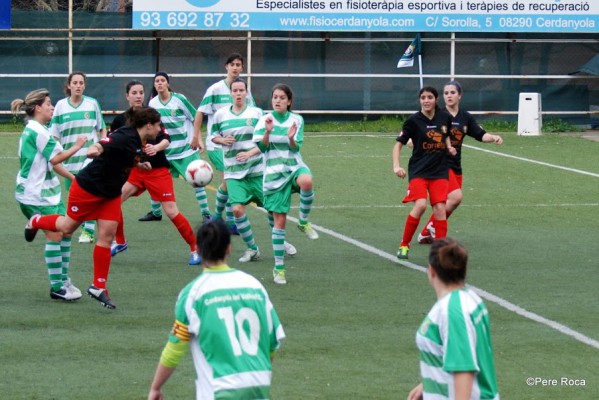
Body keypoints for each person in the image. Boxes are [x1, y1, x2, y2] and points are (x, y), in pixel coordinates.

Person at [24, 107, 163, 309]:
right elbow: (102, 144)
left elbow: (123, 157)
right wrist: (94, 149)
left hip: (111, 193)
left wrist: (139, 165)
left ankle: (98, 286)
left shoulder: (140, 140)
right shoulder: (125, 136)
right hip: (88, 188)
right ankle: (35, 221)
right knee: (67, 227)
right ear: (148, 125)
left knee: (107, 235)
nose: (160, 129)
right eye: (158, 125)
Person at [147, 220, 285, 400]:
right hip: (259, 386)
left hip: (220, 390)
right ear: (228, 249)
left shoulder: (193, 294)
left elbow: (174, 349)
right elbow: (272, 342)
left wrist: (155, 388)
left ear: (198, 249)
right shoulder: (255, 287)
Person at [109, 80, 201, 265]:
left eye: (141, 92)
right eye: (134, 93)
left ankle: (195, 248)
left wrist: (156, 148)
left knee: (171, 211)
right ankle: (120, 241)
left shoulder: (151, 115)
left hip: (157, 171)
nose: (138, 96)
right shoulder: (120, 120)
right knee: (113, 201)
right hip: (135, 171)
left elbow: (166, 138)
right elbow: (114, 144)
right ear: (127, 96)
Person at [211, 78, 297, 263]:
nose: (238, 93)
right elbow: (213, 136)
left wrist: (251, 152)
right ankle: (252, 249)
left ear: (246, 93)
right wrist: (222, 140)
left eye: (241, 90)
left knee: (272, 208)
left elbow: (265, 141)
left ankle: (280, 242)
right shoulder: (220, 115)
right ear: (231, 93)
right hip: (233, 173)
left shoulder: (257, 114)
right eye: (235, 90)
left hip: (257, 171)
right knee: (237, 209)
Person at [13, 88, 87, 301]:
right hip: (35, 195)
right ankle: (57, 287)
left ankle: (63, 279)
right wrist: (78, 146)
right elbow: (57, 158)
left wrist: (73, 178)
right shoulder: (38, 131)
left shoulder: (39, 129)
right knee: (55, 234)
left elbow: (52, 164)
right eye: (48, 104)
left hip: (49, 192)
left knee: (67, 230)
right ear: (38, 108)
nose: (52, 107)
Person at [407, 238, 500, 400]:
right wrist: (430, 383)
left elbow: (464, 369)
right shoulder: (470, 299)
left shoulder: (452, 311)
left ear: (431, 270)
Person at [417, 81, 503, 244]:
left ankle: (426, 232)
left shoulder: (465, 117)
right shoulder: (437, 115)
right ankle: (435, 228)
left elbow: (480, 134)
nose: (449, 96)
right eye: (446, 93)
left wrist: (493, 137)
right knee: (456, 197)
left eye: (452, 93)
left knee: (448, 202)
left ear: (460, 96)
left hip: (456, 166)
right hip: (439, 165)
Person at [253, 83, 319, 285]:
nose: (278, 100)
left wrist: (291, 138)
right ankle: (279, 269)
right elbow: (261, 148)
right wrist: (267, 132)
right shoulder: (264, 120)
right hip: (274, 175)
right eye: (275, 97)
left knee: (307, 181)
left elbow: (296, 148)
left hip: (293, 167)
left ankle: (303, 222)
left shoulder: (297, 119)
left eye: (282, 97)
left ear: (289, 101)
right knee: (279, 222)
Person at [195, 53, 256, 234]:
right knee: (229, 181)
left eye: (238, 64)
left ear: (242, 68)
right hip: (217, 145)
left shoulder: (244, 90)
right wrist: (196, 137)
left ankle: (218, 218)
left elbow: (253, 114)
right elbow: (200, 112)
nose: (235, 67)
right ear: (226, 66)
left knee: (228, 183)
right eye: (232, 64)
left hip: (237, 147)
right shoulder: (215, 89)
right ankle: (228, 222)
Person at [393, 86, 456, 260]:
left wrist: (449, 147)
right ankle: (404, 245)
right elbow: (398, 145)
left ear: (436, 100)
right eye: (423, 98)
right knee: (420, 205)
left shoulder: (444, 117)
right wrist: (396, 166)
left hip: (439, 171)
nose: (426, 100)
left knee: (440, 209)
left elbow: (446, 134)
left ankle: (440, 252)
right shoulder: (413, 121)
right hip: (419, 170)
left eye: (430, 97)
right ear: (419, 100)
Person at [145, 71, 212, 223]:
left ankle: (206, 214)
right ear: (154, 85)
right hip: (165, 151)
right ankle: (156, 213)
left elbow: (195, 117)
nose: (160, 83)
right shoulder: (153, 103)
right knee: (154, 181)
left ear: (168, 83)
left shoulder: (179, 99)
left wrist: (197, 138)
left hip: (185, 150)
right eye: (157, 81)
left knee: (198, 180)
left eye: (162, 80)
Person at [50, 71, 107, 244]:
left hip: (90, 159)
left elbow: (102, 128)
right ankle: (79, 226)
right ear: (69, 85)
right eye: (75, 83)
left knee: (89, 194)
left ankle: (88, 231)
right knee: (76, 197)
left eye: (81, 83)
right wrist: (57, 154)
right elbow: (54, 135)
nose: (78, 86)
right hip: (70, 160)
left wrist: (102, 146)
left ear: (84, 85)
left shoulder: (92, 104)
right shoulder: (60, 106)